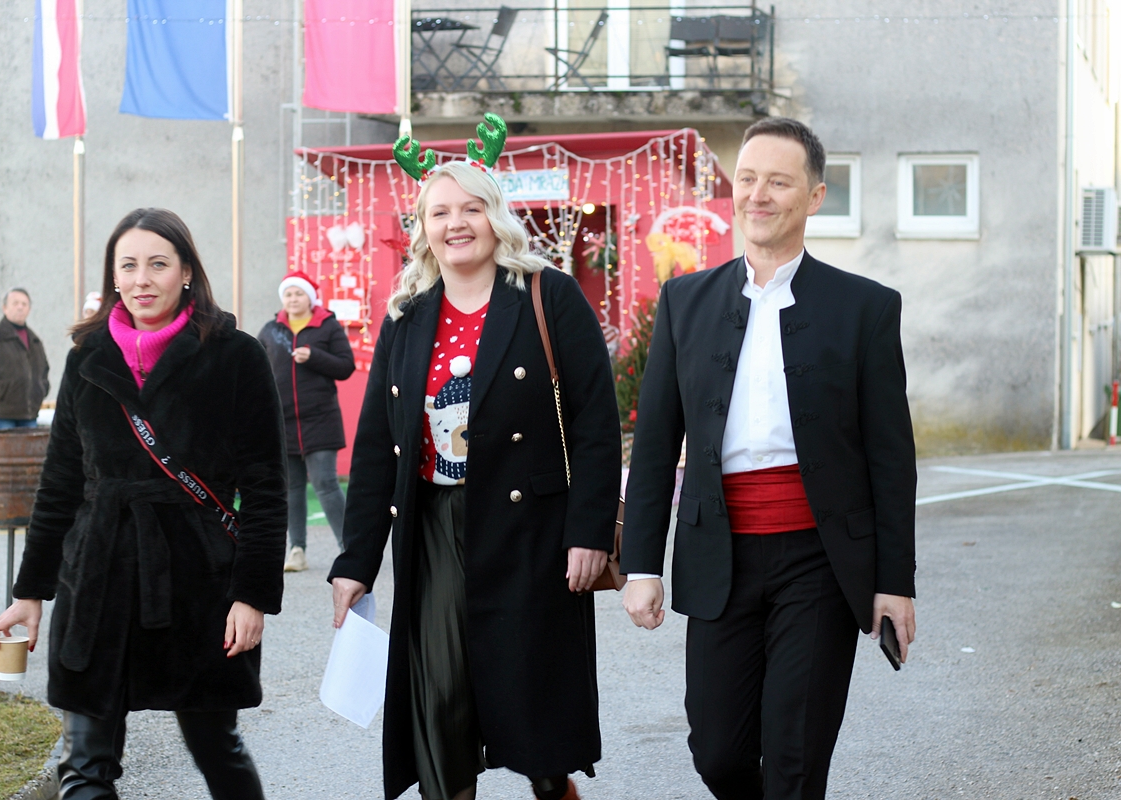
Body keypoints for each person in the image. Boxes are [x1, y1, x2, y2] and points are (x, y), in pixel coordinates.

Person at [621, 118, 918, 800]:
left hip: (820, 558)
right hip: (717, 553)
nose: (758, 194)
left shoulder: (866, 308)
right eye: (748, 178)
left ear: (814, 197)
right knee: (718, 754)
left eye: (778, 182)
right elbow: (657, 440)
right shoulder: (685, 302)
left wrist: (894, 581)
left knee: (795, 756)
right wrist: (641, 566)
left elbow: (890, 456)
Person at [329, 159, 621, 800]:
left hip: (531, 531)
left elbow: (597, 425)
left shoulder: (547, 295)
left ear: (496, 217)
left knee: (530, 699)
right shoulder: (406, 316)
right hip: (434, 526)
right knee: (438, 696)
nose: (456, 223)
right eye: (440, 212)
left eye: (471, 208)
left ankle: (553, 784)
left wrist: (589, 531)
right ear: (423, 229)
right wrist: (355, 563)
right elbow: (378, 449)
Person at [0, 208, 287, 800]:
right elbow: (60, 483)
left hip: (199, 583)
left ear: (187, 272)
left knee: (217, 748)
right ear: (113, 277)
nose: (142, 279)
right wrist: (29, 592)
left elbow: (266, 488)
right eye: (128, 266)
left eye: (158, 264)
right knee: (84, 766)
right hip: (95, 579)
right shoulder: (87, 357)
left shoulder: (236, 356)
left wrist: (252, 595)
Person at [258, 270, 355, 570]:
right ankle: (296, 550)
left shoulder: (328, 327)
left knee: (325, 483)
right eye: (288, 294)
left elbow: (346, 366)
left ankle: (349, 547)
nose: (293, 299)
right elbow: (257, 370)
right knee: (292, 488)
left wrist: (314, 356)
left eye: (299, 293)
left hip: (320, 420)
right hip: (283, 422)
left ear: (310, 298)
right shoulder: (270, 330)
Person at [0, 287, 50, 430]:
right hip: (0, 415)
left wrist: (41, 390)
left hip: (29, 415)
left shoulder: (35, 341)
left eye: (24, 304)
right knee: (1, 447)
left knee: (31, 446)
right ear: (4, 308)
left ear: (29, 309)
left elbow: (44, 370)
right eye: (15, 303)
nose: (20, 307)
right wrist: (0, 390)